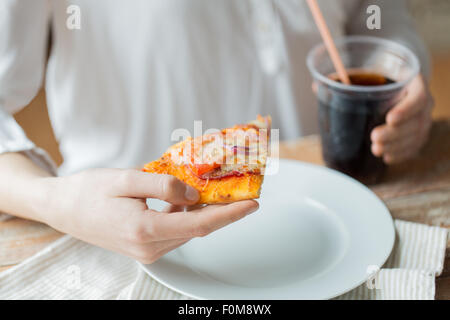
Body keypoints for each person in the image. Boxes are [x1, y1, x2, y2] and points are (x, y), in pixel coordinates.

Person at [0, 0, 433, 263]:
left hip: (328, 221)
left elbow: (377, 17)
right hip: (113, 241)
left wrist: (403, 76)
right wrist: (56, 199)